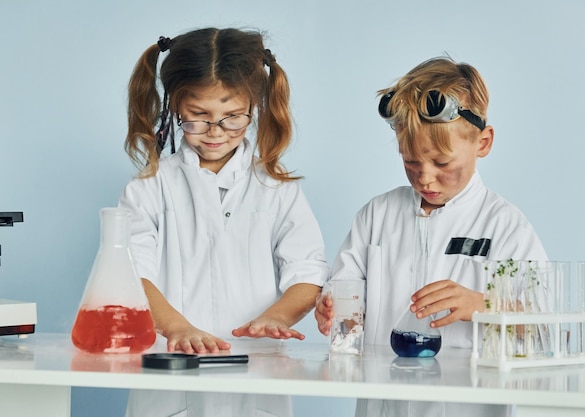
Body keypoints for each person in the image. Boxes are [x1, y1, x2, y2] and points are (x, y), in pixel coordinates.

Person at [315, 56, 548, 416]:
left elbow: (546, 332)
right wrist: (332, 307)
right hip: (382, 405)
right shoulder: (377, 215)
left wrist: (483, 306)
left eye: (442, 164)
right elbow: (344, 296)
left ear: (483, 142)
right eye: (410, 161)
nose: (425, 178)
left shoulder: (505, 226)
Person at [118, 27, 329, 417]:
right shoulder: (148, 187)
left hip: (258, 372)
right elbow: (131, 274)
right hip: (169, 373)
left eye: (232, 119)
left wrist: (276, 317)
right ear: (175, 107)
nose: (215, 133)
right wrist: (177, 328)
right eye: (199, 117)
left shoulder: (277, 188)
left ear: (255, 108)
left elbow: (307, 270)